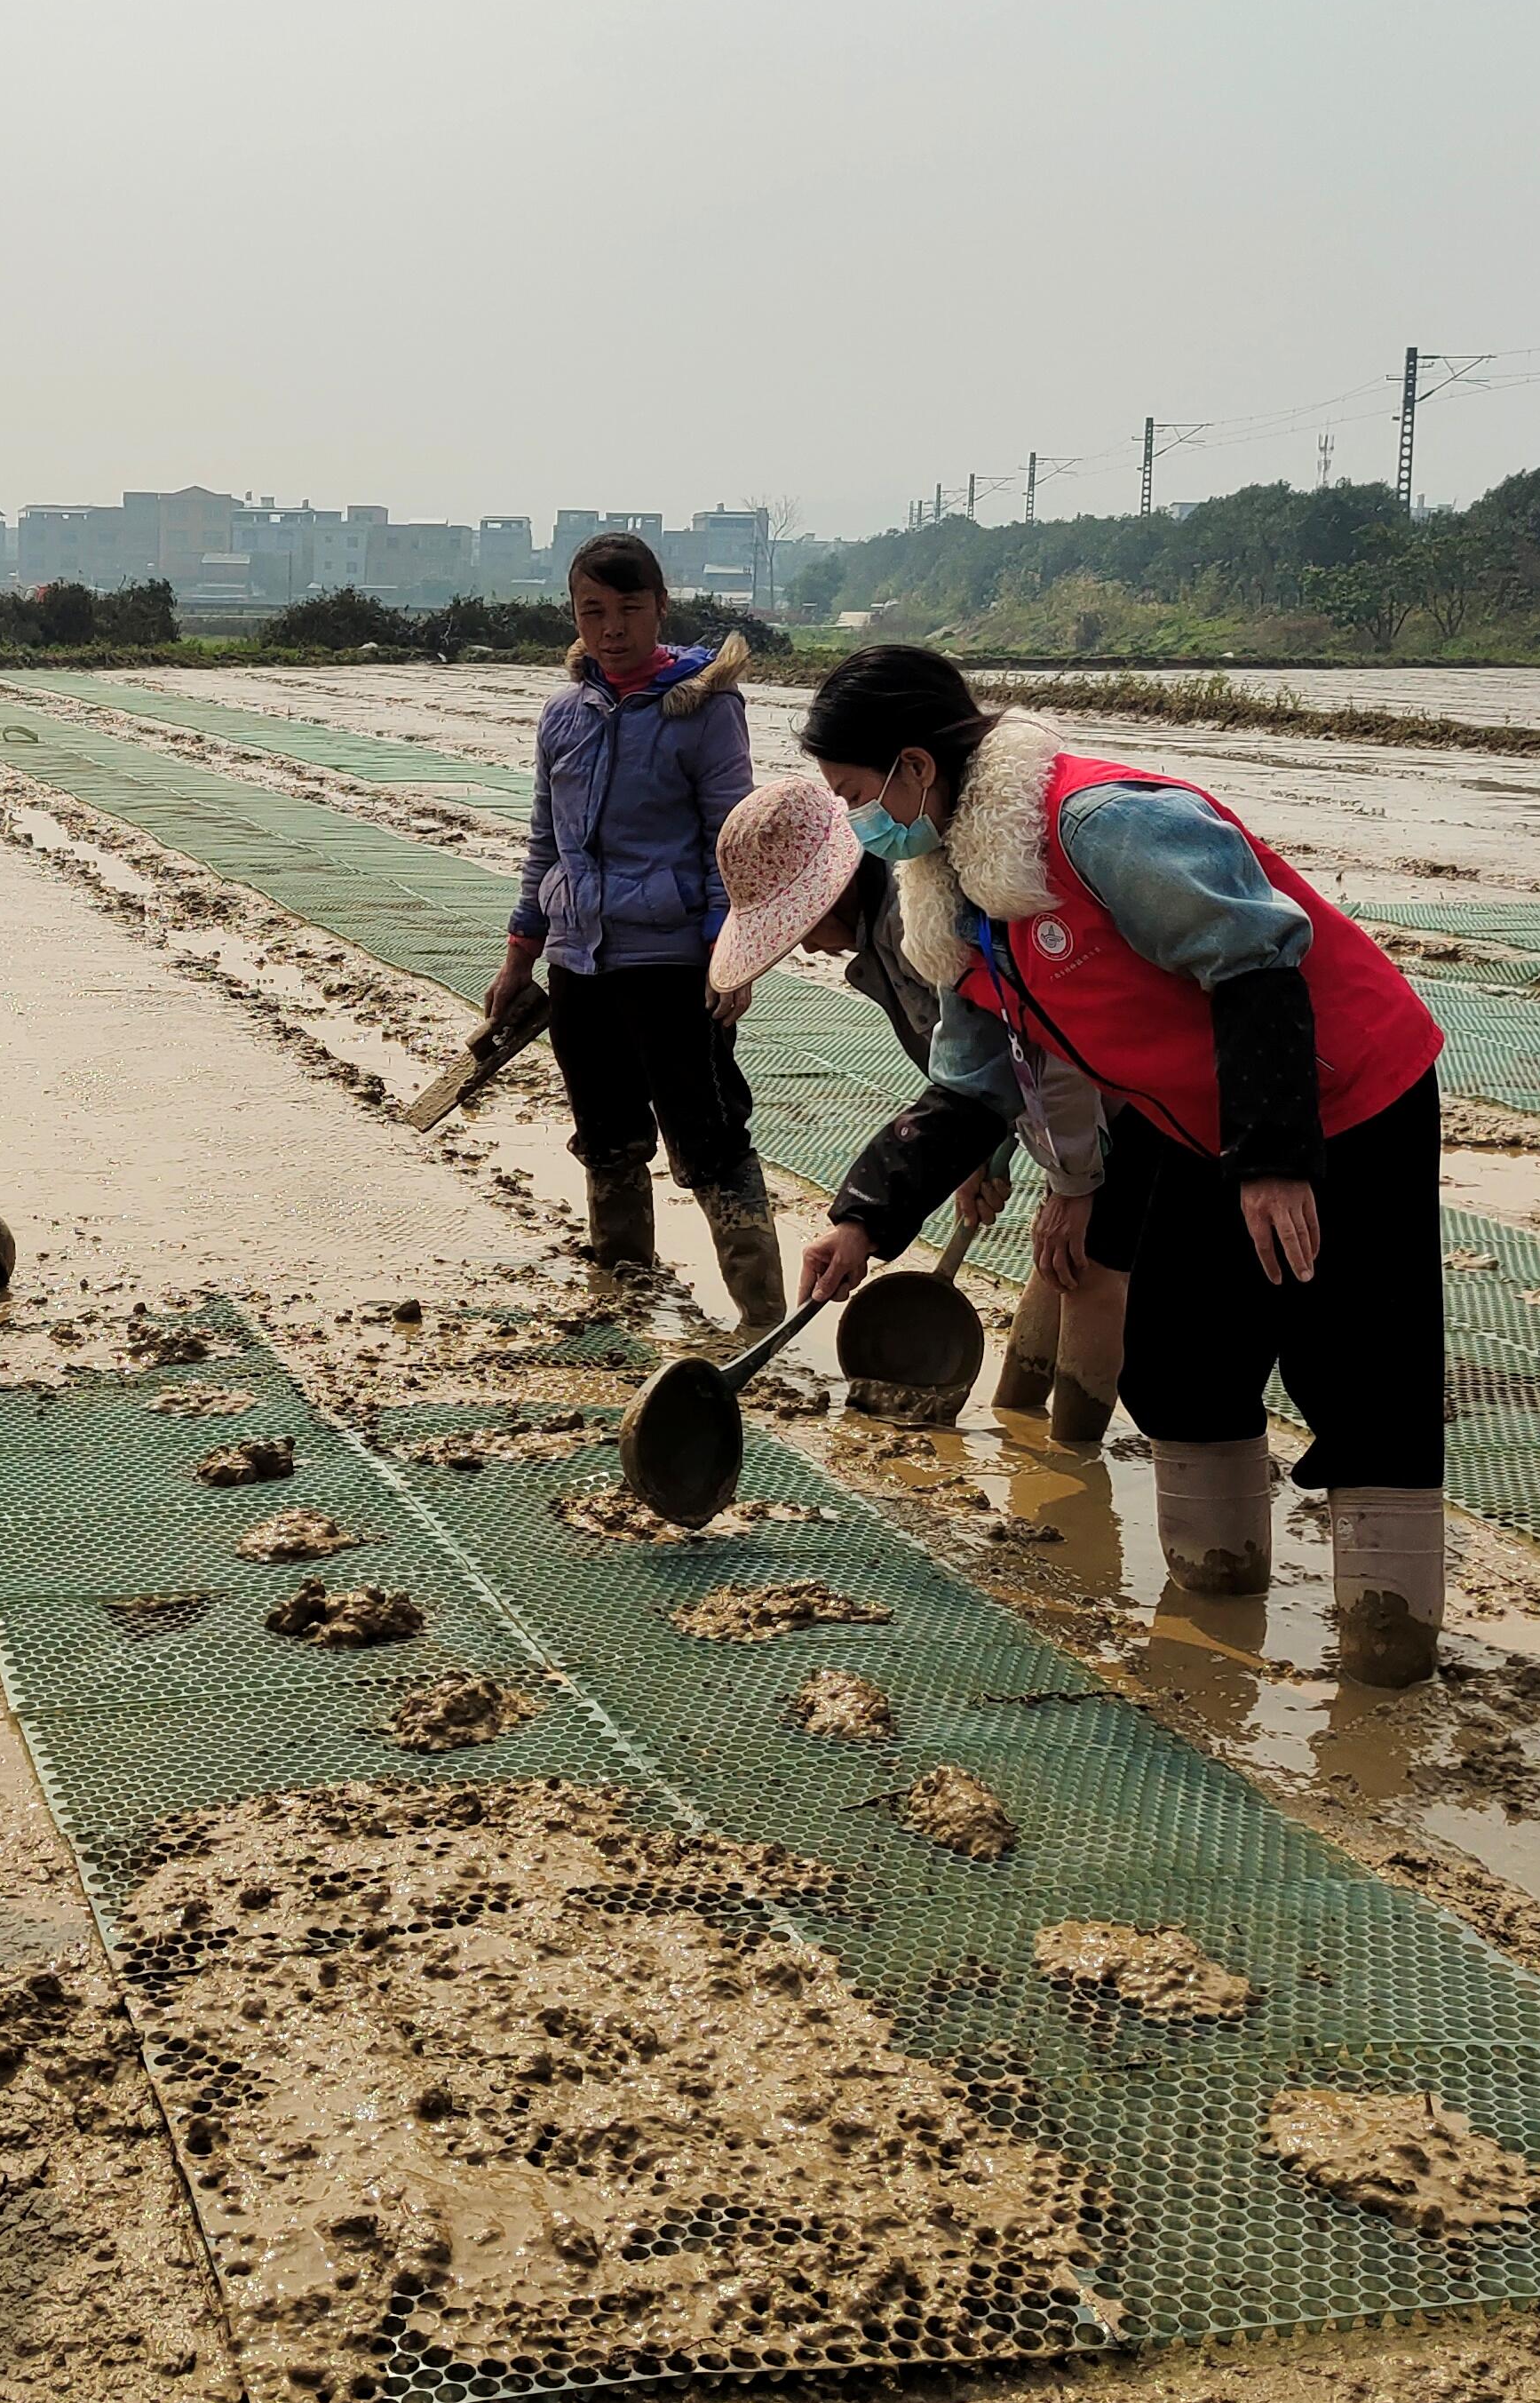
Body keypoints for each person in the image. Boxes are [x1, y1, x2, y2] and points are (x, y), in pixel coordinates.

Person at [793, 645, 1456, 1683]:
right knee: (1180, 1363)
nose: (858, 824)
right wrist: (864, 1219)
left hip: (1335, 1100)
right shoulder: (949, 892)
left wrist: (1275, 1159)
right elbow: (972, 1086)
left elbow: (1255, 962)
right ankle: (1217, 1615)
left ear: (915, 767)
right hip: (1188, 1119)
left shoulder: (1100, 823)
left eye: (857, 794)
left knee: (1360, 1369)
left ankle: (1388, 1654)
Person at [707, 780, 1130, 1440]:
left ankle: (1073, 1455)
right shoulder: (882, 930)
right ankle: (1028, 1433)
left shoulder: (921, 921)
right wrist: (977, 1156)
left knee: (1094, 1262)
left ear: (837, 886)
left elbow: (1026, 1055)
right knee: (1062, 1256)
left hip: (1122, 1090)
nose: (810, 949)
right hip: (1061, 1101)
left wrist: (1075, 1182)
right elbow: (980, 1068)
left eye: (801, 927)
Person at [486, 532, 782, 1331]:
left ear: (660, 606)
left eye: (628, 609)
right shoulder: (563, 714)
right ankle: (622, 1288)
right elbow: (544, 839)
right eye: (593, 612)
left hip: (672, 961)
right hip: (581, 960)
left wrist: (733, 955)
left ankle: (761, 1317)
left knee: (708, 1133)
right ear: (575, 618)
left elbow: (733, 841)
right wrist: (522, 954)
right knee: (606, 1132)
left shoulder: (705, 708)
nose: (611, 628)